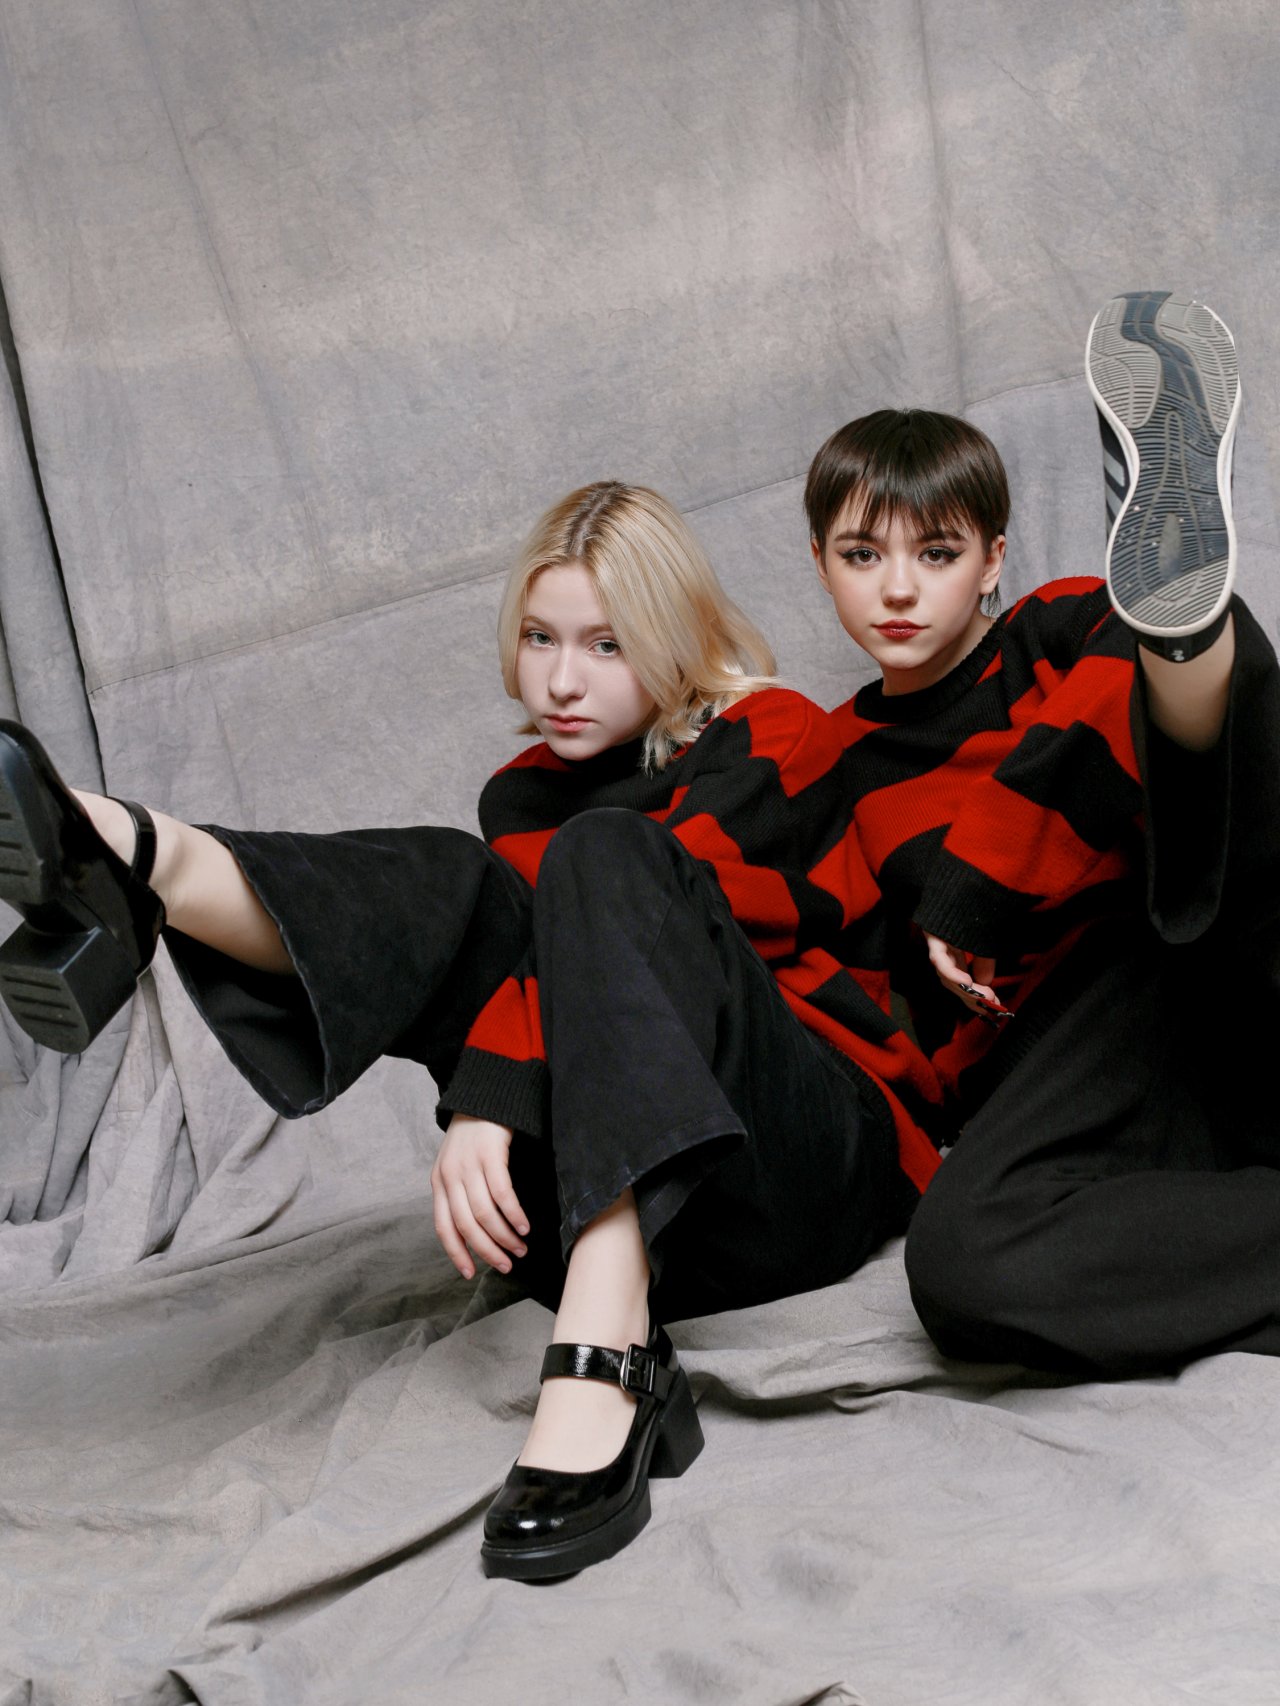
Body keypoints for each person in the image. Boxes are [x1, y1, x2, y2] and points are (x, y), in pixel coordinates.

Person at [0, 480, 941, 1580]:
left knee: (605, 858)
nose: (560, 679)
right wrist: (502, 1082)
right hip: (607, 1207)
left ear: (674, 637)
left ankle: (606, 1362)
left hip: (801, 1168)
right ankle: (140, 858)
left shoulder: (772, 731)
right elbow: (556, 971)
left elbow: (666, 919)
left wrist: (489, 1096)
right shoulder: (522, 796)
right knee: (459, 878)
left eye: (605, 643)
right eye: (540, 637)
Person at [806, 290, 1280, 1376]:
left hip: (1207, 944)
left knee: (1200, 670)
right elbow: (843, 982)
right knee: (961, 1266)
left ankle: (1184, 623)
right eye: (860, 554)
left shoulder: (1056, 626)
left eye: (935, 553)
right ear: (819, 561)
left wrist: (978, 886)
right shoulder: (829, 760)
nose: (896, 588)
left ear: (991, 559)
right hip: (1068, 1056)